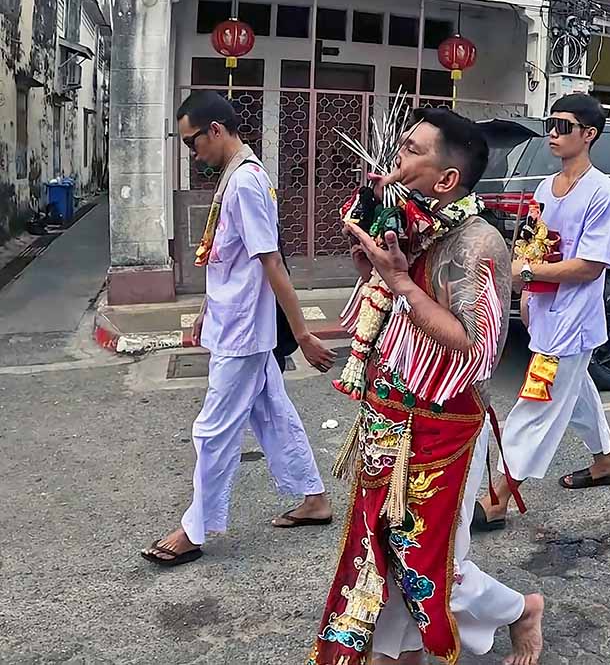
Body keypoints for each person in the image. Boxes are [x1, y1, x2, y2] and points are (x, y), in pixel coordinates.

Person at [308, 108, 543, 665]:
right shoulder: (414, 225)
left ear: (447, 180)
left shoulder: (478, 243)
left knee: (428, 563)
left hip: (445, 428)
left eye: (412, 150)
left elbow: (469, 344)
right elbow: (388, 302)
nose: (397, 160)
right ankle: (396, 655)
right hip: (388, 412)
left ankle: (520, 609)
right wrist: (374, 261)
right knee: (378, 551)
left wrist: (396, 278)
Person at [139, 92, 334, 568]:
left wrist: (303, 331)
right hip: (234, 321)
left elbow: (272, 262)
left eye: (192, 142)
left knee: (212, 432)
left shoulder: (246, 182)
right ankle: (314, 498)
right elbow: (232, 256)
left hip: (245, 332)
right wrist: (208, 306)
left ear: (216, 131)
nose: (192, 152)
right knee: (273, 414)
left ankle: (195, 528)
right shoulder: (236, 175)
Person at [475, 93, 610, 531]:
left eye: (563, 126)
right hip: (543, 307)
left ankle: (500, 494)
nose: (553, 134)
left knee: (538, 401)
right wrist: (527, 285)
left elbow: (591, 265)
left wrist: (527, 271)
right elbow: (532, 239)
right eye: (550, 125)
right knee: (576, 392)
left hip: (573, 317)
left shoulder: (603, 193)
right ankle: (605, 461)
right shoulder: (544, 187)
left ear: (589, 134)